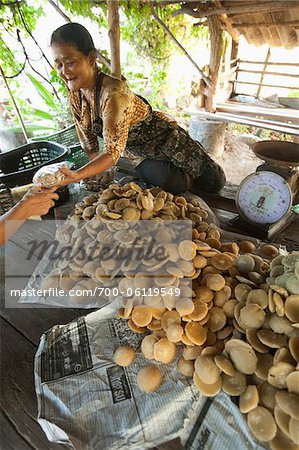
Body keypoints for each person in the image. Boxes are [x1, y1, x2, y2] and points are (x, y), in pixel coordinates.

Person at [50, 23, 226, 195]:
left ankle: (193, 149)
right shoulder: (76, 92)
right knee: (171, 184)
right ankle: (178, 171)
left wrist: (77, 175)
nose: (64, 71)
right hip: (136, 150)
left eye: (70, 62)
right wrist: (93, 173)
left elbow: (111, 153)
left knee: (214, 182)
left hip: (164, 139)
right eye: (59, 65)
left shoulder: (113, 93)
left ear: (90, 58)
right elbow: (88, 139)